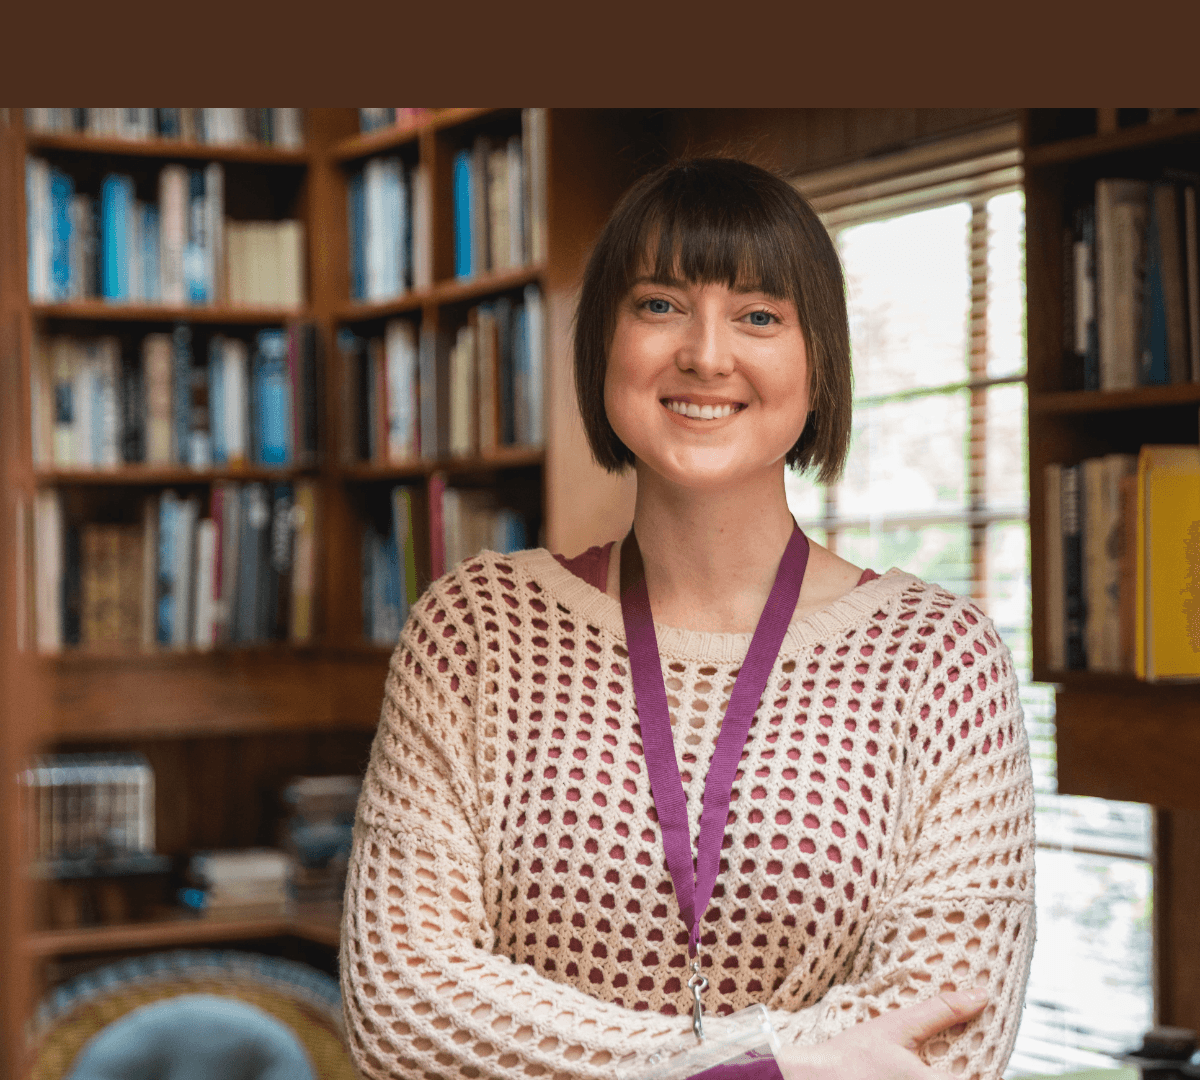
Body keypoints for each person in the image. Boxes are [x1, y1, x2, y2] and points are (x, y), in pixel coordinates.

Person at [341, 157, 1035, 1080]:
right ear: (602, 349)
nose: (707, 355)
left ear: (819, 365)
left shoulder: (940, 659)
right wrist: (769, 1067)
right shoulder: (473, 632)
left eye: (759, 316)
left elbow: (949, 1039)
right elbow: (402, 1004)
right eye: (660, 305)